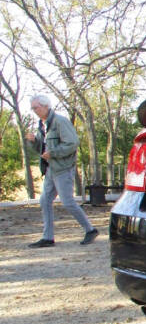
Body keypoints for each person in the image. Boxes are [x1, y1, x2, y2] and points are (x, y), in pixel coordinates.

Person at [24, 94, 98, 248]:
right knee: (45, 200)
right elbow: (42, 148)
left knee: (67, 201)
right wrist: (34, 141)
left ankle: (90, 230)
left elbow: (72, 143)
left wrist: (53, 153)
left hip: (63, 168)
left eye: (36, 107)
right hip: (50, 169)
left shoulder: (60, 121)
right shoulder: (42, 125)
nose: (34, 111)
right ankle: (48, 238)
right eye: (32, 108)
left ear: (46, 106)